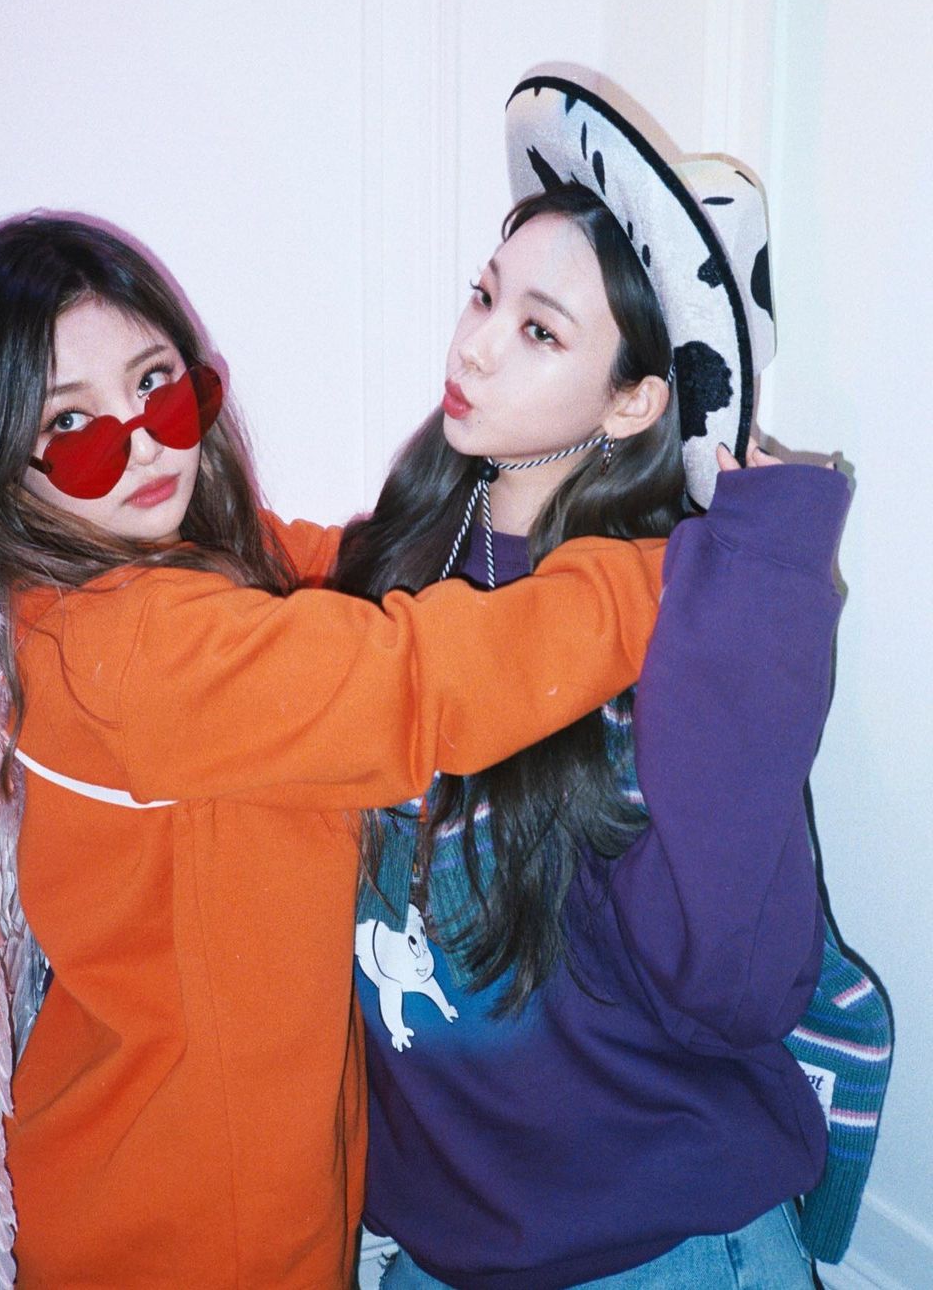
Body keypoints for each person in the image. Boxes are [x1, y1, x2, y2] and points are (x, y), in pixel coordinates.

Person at [0, 211, 690, 1289]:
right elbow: (415, 684)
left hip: (145, 1158)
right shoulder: (141, 654)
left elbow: (333, 573)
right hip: (193, 1226)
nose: (143, 444)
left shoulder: (113, 583)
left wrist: (453, 536)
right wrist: (669, 571)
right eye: (73, 426)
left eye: (157, 385)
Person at [333, 67, 856, 1288]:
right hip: (444, 1252)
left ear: (635, 402)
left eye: (539, 330)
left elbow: (738, 988)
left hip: (664, 1250)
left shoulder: (659, 633)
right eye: (485, 295)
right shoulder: (400, 567)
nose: (473, 344)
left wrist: (762, 573)